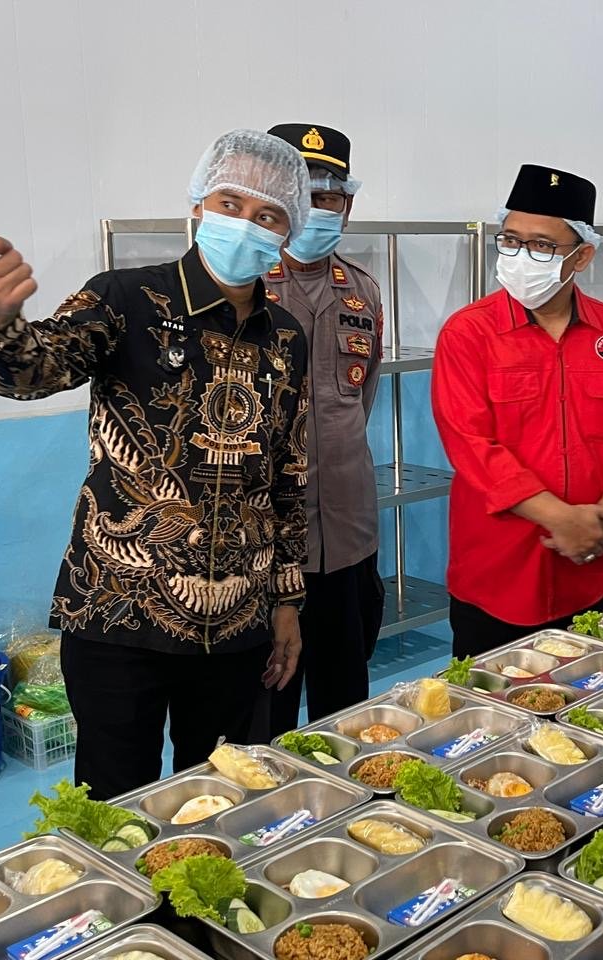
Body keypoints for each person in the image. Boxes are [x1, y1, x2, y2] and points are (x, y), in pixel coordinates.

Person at [0, 130, 311, 799]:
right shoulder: (126, 298)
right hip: (117, 612)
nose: (246, 224)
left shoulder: (285, 337)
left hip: (237, 621)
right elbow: (32, 372)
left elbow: (287, 477)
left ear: (288, 232)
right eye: (231, 203)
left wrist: (286, 602)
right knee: (114, 800)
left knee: (218, 796)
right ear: (199, 204)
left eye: (268, 215)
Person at [432, 164, 603, 659]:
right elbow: (470, 443)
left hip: (588, 567)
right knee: (489, 700)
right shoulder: (468, 332)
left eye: (542, 245)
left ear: (582, 256)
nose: (521, 256)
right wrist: (561, 519)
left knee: (591, 691)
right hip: (497, 573)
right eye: (510, 240)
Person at [238, 123, 384, 737]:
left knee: (345, 705)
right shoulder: (241, 288)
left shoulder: (363, 292)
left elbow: (360, 402)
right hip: (261, 547)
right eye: (304, 194)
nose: (318, 208)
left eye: (330, 196)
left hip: (347, 537)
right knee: (261, 709)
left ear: (346, 205)